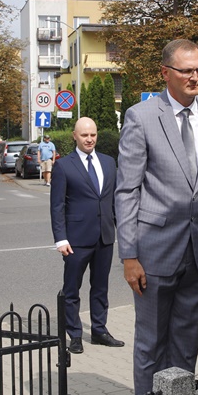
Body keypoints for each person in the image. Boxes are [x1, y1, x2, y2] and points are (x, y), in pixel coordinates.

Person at [115, 39, 198, 395]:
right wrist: (129, 255)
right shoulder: (142, 117)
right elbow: (126, 191)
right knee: (151, 342)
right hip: (154, 250)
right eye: (186, 71)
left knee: (186, 343)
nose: (195, 77)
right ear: (165, 73)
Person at [50, 117, 124, 355]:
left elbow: (113, 200)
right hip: (76, 240)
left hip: (104, 236)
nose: (89, 139)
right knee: (72, 289)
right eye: (84, 135)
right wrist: (61, 239)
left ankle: (100, 330)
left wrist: (122, 230)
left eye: (92, 134)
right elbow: (57, 206)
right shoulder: (64, 165)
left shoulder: (108, 162)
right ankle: (75, 335)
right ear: (75, 136)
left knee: (100, 287)